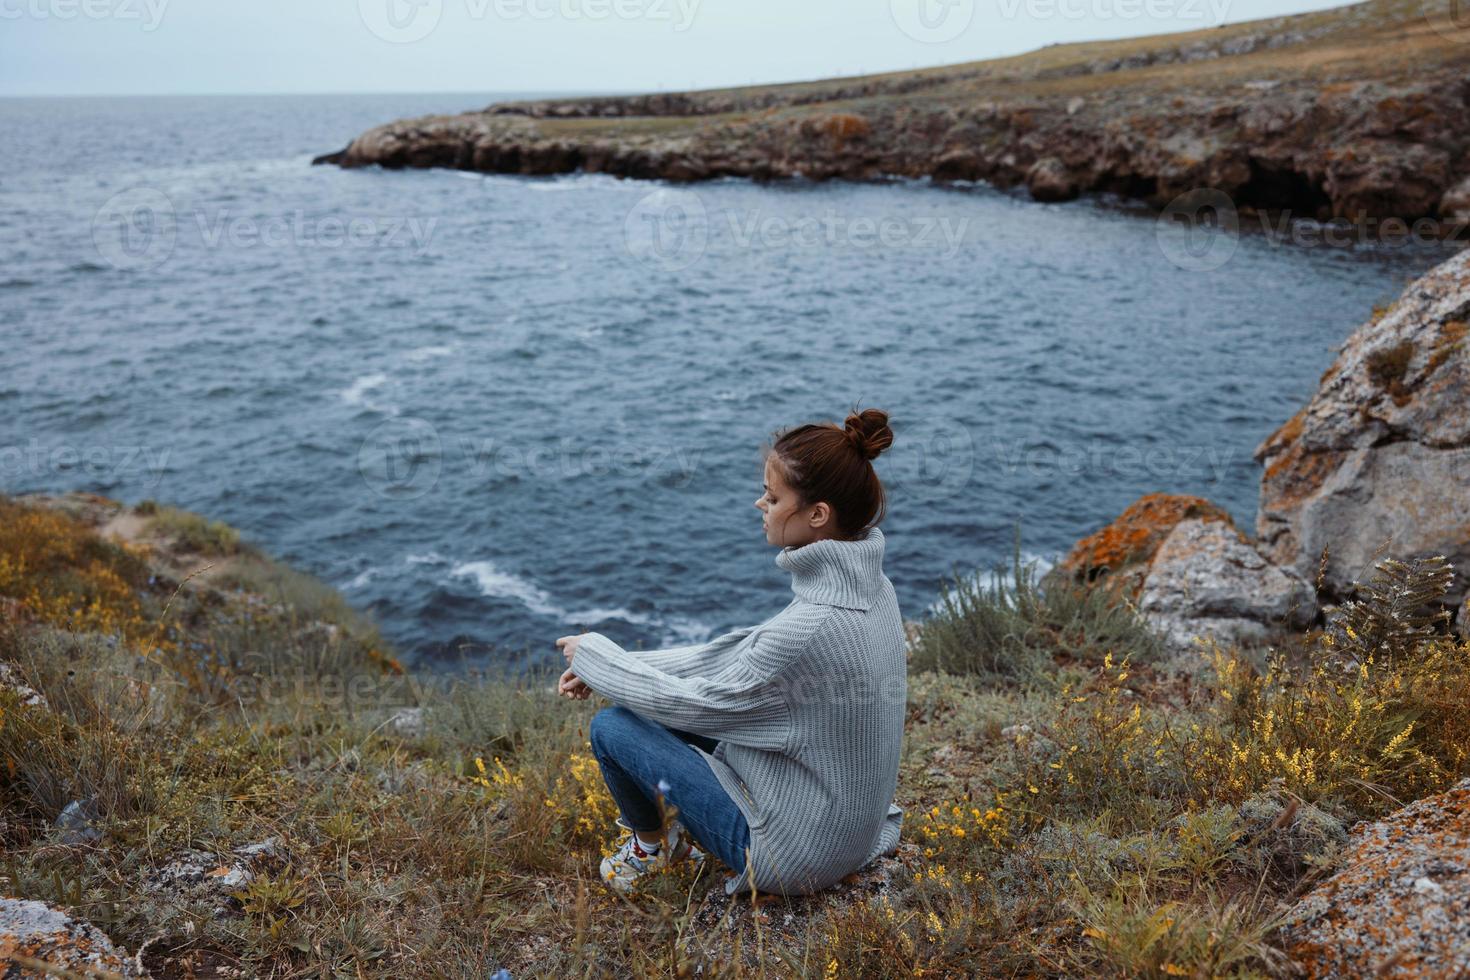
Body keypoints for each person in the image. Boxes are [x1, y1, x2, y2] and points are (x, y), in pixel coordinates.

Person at [555, 406, 907, 897]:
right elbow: (735, 658)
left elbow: (698, 704)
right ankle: (674, 834)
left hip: (793, 855)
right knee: (640, 701)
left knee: (613, 726)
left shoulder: (812, 626)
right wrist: (610, 667)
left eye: (773, 496)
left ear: (817, 514)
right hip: (847, 829)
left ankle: (652, 850)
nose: (759, 503)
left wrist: (596, 655)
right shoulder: (872, 590)